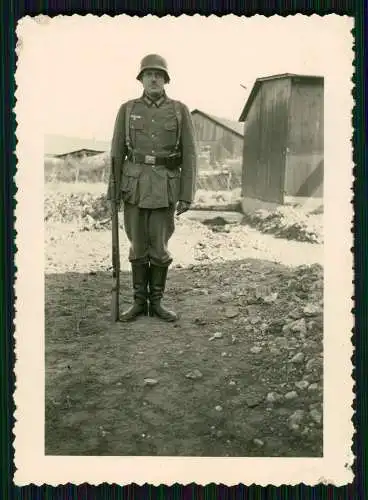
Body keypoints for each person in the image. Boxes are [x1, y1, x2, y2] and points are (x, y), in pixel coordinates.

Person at [108, 54, 198, 322]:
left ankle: (156, 303)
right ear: (141, 79)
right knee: (137, 245)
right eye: (149, 74)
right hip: (133, 186)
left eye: (159, 75)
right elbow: (116, 154)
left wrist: (187, 194)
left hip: (164, 187)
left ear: (166, 79)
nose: (154, 78)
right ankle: (138, 302)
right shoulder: (127, 110)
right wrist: (113, 191)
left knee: (158, 246)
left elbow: (191, 155)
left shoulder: (180, 111)